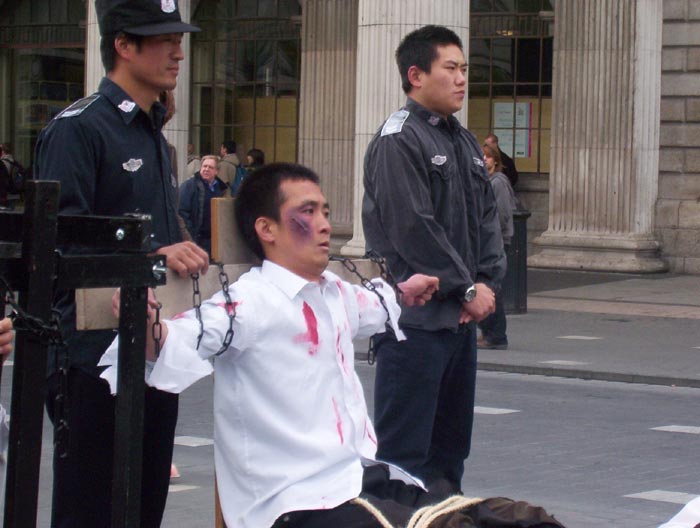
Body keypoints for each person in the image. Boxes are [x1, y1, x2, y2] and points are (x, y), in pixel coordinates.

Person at [100, 163, 565, 528]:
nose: (324, 224)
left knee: (517, 520)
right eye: (307, 212)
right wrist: (145, 322)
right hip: (293, 498)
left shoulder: (335, 292)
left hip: (357, 476)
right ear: (267, 229)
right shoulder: (248, 303)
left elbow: (376, 303)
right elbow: (179, 340)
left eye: (324, 211)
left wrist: (406, 291)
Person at [33, 1, 209, 526]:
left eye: (179, 39)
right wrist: (150, 257)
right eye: (163, 40)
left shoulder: (151, 131)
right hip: (89, 359)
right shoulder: (79, 129)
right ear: (123, 45)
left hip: (151, 350)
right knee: (90, 511)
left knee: (144, 506)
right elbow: (55, 247)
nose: (178, 53)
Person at [362, 25, 506, 494]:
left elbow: (486, 222)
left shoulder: (462, 141)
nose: (462, 79)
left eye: (465, 69)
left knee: (449, 455)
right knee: (404, 460)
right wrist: (465, 288)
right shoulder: (398, 140)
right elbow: (412, 229)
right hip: (415, 325)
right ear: (416, 75)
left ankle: (445, 519)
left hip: (458, 324)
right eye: (451, 68)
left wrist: (485, 284)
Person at [477, 144, 516, 350]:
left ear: (495, 160)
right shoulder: (486, 180)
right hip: (489, 238)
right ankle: (489, 332)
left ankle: (495, 334)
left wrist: (492, 233)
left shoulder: (498, 182)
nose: (484, 159)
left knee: (491, 286)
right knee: (486, 284)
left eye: (488, 156)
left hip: (496, 239)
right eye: (482, 156)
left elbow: (501, 213)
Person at [178, 154, 229, 254]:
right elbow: (181, 212)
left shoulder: (221, 188)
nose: (206, 169)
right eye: (204, 166)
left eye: (210, 167)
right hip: (195, 238)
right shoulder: (189, 186)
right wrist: (189, 236)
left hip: (214, 240)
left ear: (216, 171)